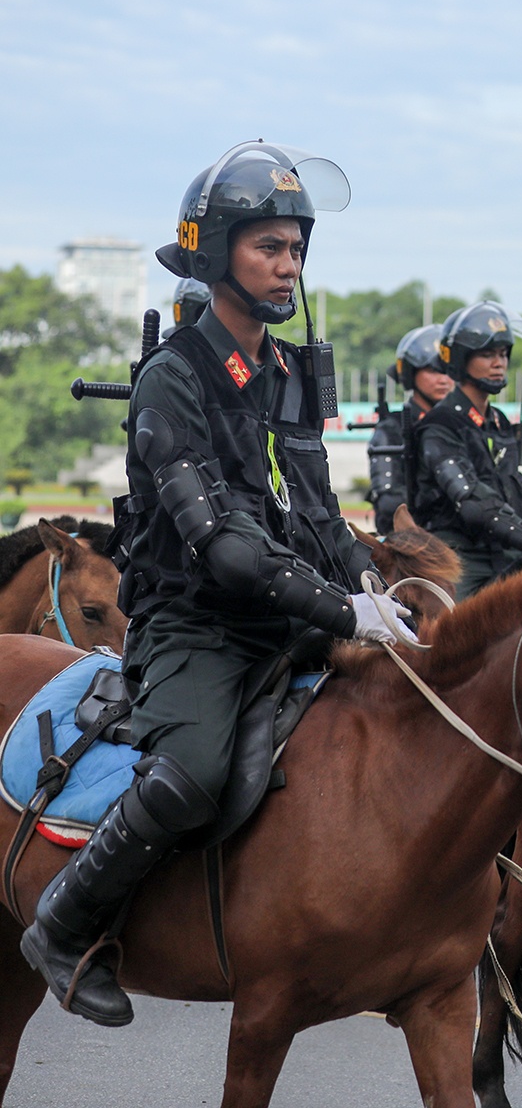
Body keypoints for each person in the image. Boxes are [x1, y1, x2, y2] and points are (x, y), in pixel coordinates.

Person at [20, 142, 417, 1027]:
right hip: (193, 623)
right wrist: (340, 607)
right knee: (194, 770)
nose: (288, 266)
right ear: (214, 254)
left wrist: (369, 583)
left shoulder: (286, 371)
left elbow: (315, 506)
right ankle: (65, 922)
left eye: (296, 249)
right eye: (268, 247)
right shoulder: (171, 378)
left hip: (279, 613)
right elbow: (225, 550)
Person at [405, 301, 522, 597]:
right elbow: (470, 498)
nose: (499, 362)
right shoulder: (440, 425)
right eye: (487, 354)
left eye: (503, 353)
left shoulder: (498, 422)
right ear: (460, 359)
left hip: (510, 552)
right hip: (460, 559)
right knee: (457, 631)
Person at [366, 324, 455, 535]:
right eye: (434, 370)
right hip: (412, 543)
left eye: (449, 370)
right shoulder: (392, 430)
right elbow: (390, 505)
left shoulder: (462, 425)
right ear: (410, 373)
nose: (443, 379)